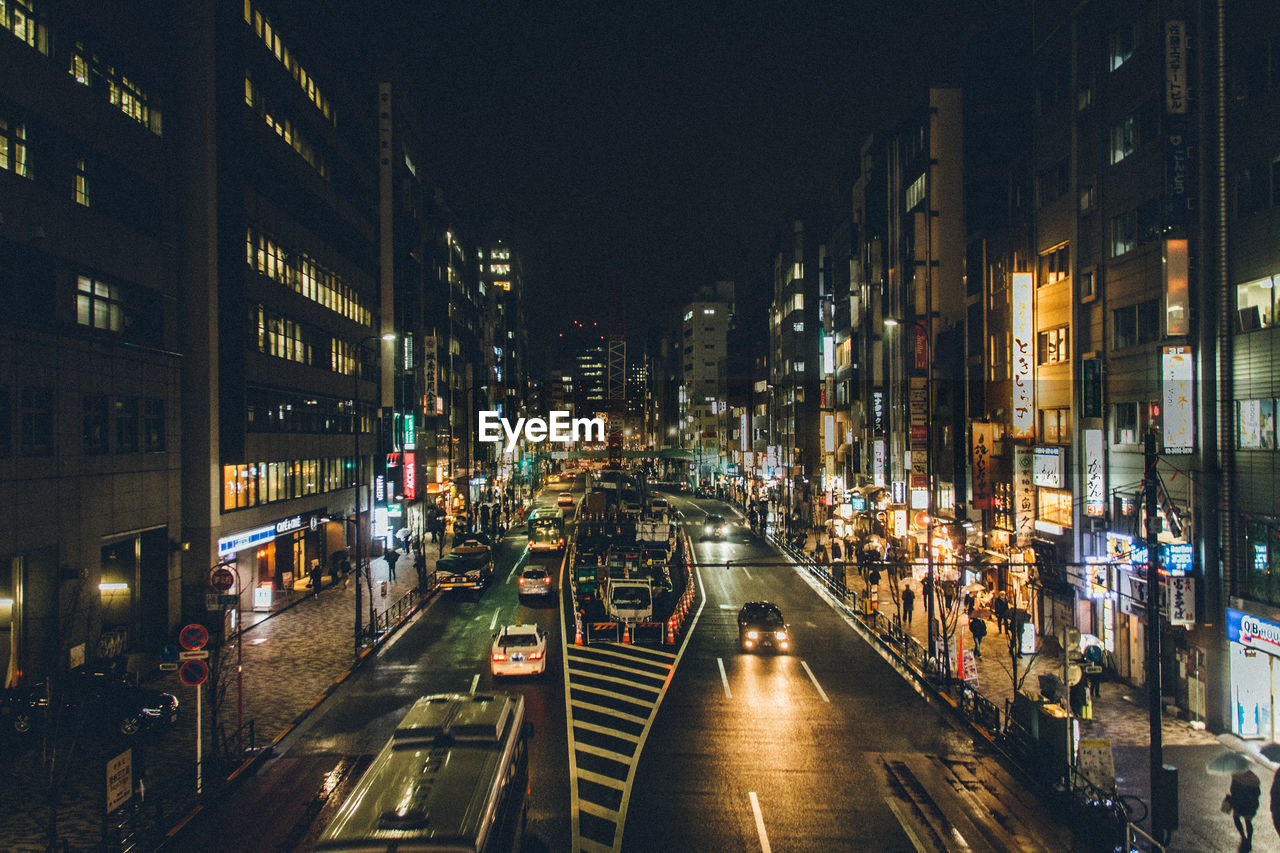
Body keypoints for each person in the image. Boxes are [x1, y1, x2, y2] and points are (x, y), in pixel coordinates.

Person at [1227, 768, 1261, 852]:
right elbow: (1258, 793)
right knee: (1248, 822)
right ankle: (1249, 839)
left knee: (1236, 817)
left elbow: (1232, 789)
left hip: (1239, 803)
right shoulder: (1254, 779)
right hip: (1250, 804)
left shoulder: (1237, 776)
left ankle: (1243, 836)